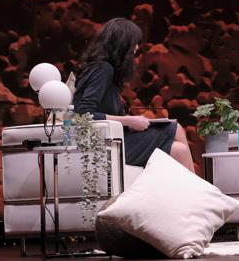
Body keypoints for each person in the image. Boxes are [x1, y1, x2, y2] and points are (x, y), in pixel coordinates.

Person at [73, 18, 195, 171]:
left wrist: (130, 124)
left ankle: (194, 193)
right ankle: (201, 194)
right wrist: (129, 121)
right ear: (122, 44)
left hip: (115, 138)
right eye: (134, 43)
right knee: (174, 128)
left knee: (179, 150)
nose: (136, 48)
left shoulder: (105, 71)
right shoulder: (103, 69)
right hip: (106, 144)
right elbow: (82, 114)